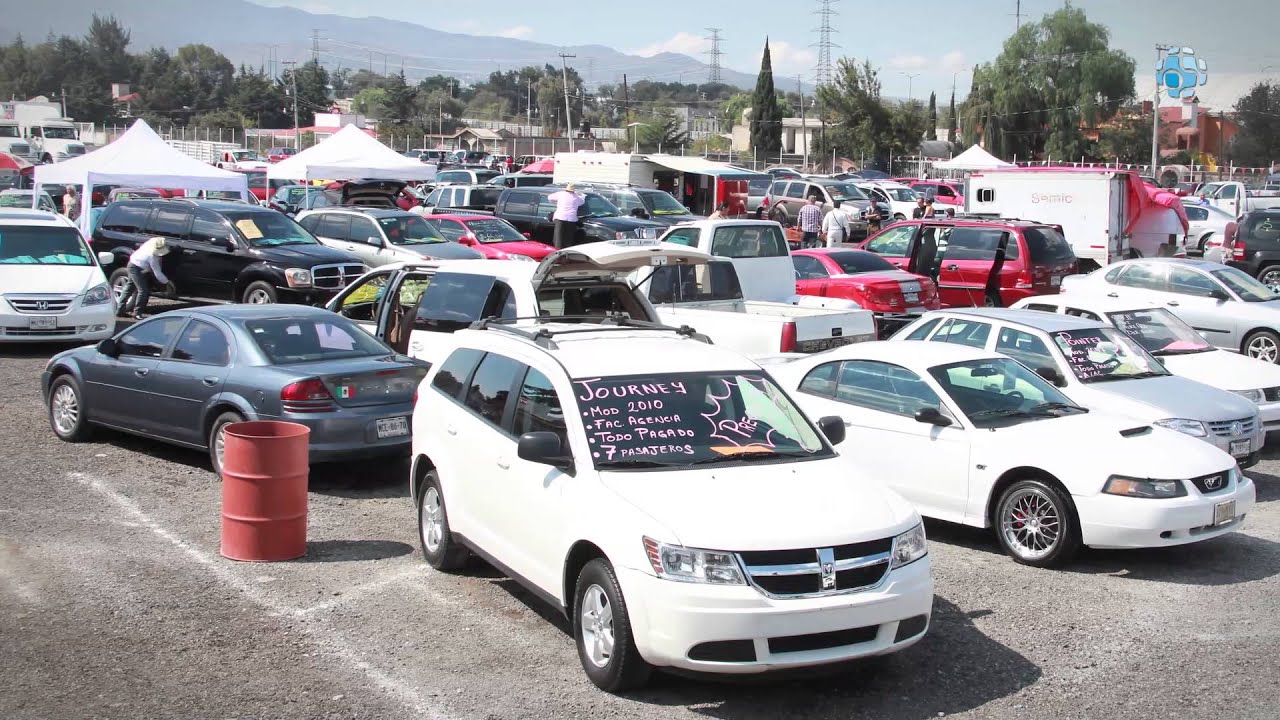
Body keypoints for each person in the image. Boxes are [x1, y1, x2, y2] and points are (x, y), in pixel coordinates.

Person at [120, 237, 171, 319]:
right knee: (143, 290)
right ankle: (137, 313)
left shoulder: (151, 242)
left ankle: (120, 311)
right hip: (136, 267)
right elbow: (157, 272)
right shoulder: (152, 256)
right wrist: (167, 282)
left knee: (129, 288)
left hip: (133, 263)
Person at [548, 183, 585, 249]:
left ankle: (557, 251)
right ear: (574, 190)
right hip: (571, 219)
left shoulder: (560, 194)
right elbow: (582, 202)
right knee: (568, 239)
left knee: (558, 238)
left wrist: (556, 202)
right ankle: (566, 252)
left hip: (560, 218)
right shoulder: (576, 197)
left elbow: (549, 197)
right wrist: (580, 194)